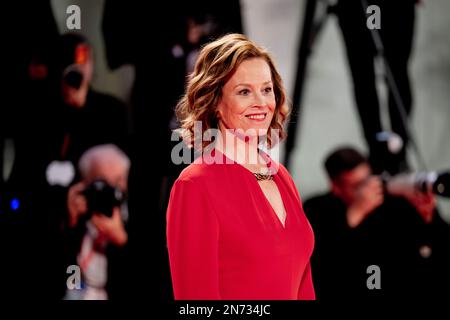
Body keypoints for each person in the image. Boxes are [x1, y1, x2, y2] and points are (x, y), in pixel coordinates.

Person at [166, 33, 315, 300]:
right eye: (244, 91)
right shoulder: (195, 186)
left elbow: (304, 288)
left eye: (266, 89)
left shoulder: (282, 176)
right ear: (216, 103)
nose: (261, 102)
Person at [303, 146, 450, 300]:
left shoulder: (391, 202)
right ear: (336, 187)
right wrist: (355, 213)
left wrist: (428, 217)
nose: (367, 189)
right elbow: (322, 265)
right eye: (356, 186)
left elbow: (437, 246)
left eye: (367, 179)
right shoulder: (317, 208)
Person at [334, 0, 418, 174]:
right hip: (357, 8)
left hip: (393, 8)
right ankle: (378, 150)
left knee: (396, 74)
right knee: (365, 78)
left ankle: (398, 151)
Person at [63, 144, 129, 300]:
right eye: (102, 184)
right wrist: (71, 222)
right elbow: (68, 276)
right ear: (85, 184)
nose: (109, 192)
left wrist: (121, 240)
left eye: (118, 182)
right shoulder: (79, 219)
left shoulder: (133, 218)